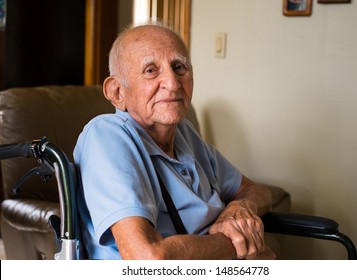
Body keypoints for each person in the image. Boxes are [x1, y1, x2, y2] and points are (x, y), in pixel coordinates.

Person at [74, 23, 275, 260]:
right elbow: (147, 259)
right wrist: (234, 243)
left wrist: (239, 210)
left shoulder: (184, 133)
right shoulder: (106, 136)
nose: (173, 82)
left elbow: (255, 190)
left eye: (179, 67)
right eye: (151, 70)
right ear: (117, 92)